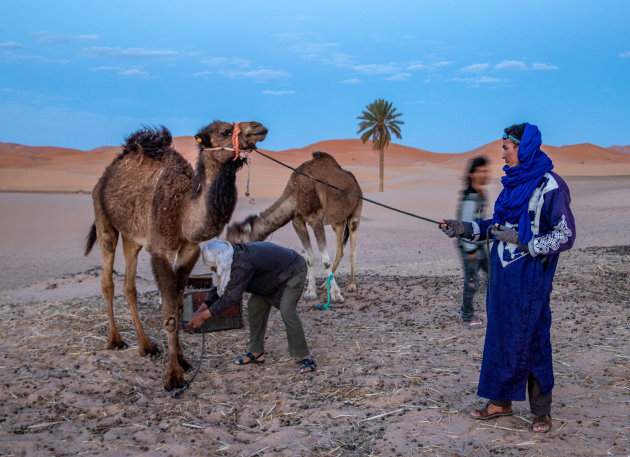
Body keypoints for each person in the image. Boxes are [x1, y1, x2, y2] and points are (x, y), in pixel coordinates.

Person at [439, 123, 575, 433]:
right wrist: (463, 228)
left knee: (534, 338)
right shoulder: (511, 185)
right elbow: (494, 226)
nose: (502, 154)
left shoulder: (550, 186)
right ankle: (499, 402)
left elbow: (565, 235)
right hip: (502, 280)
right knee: (501, 336)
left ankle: (541, 411)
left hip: (531, 280)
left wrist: (526, 241)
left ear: (523, 147)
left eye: (506, 148)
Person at [186, 239, 316, 373]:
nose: (213, 269)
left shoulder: (242, 263)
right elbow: (217, 285)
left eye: (213, 266)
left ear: (220, 260)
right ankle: (256, 353)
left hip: (293, 270)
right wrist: (202, 308)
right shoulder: (229, 258)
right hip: (270, 278)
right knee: (254, 305)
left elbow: (231, 297)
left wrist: (203, 316)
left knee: (287, 310)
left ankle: (305, 356)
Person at [456, 156, 490, 327]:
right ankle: (467, 316)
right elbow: (464, 225)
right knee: (472, 281)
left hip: (480, 244)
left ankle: (489, 308)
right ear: (472, 174)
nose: (484, 174)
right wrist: (469, 251)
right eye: (481, 171)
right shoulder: (470, 198)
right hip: (470, 247)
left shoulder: (479, 193)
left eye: (486, 170)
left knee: (492, 275)